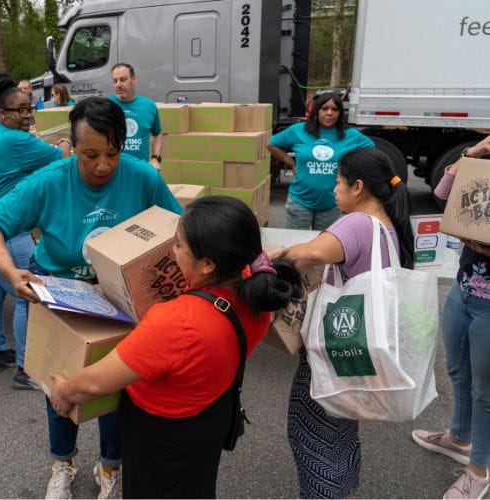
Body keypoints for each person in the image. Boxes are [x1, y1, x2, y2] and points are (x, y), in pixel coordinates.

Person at [0, 96, 183, 499]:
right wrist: (9, 270)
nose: (103, 166)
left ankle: (110, 466)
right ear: (71, 146)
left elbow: (179, 229)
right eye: (90, 155)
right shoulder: (49, 180)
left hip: (119, 299)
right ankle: (62, 464)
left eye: (112, 153)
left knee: (116, 389)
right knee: (61, 389)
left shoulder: (142, 177)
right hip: (62, 296)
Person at [49, 195, 302, 498]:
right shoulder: (258, 296)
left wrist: (63, 392)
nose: (173, 250)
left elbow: (95, 381)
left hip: (162, 431)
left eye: (179, 245)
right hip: (211, 412)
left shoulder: (177, 322)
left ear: (208, 264)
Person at [282, 147, 414, 498]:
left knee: (313, 432)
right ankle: (345, 491)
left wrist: (268, 261)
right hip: (361, 352)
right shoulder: (388, 223)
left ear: (358, 187)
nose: (334, 191)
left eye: (338, 183)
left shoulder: (358, 222)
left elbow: (311, 253)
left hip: (337, 351)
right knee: (340, 427)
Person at [0, 86, 72, 390]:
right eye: (19, 110)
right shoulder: (18, 140)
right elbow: (61, 159)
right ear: (1, 113)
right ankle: (26, 370)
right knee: (29, 299)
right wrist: (63, 140)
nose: (26, 115)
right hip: (3, 228)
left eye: (29, 109)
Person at [412, 135, 490, 500]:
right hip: (463, 291)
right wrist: (473, 153)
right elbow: (443, 194)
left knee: (485, 391)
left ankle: (479, 468)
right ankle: (459, 437)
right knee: (457, 372)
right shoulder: (482, 169)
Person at [268, 92, 375, 230]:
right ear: (317, 111)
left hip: (331, 205)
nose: (330, 113)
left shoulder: (350, 135)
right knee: (295, 246)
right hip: (300, 202)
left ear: (340, 113)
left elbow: (371, 150)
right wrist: (291, 163)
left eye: (335, 109)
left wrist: (351, 172)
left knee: (324, 248)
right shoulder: (299, 130)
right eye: (324, 108)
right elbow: (271, 144)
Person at [108, 63, 163, 170]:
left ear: (133, 79)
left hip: (141, 170)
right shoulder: (106, 106)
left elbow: (157, 134)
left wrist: (155, 158)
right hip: (113, 171)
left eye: (123, 80)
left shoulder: (149, 106)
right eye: (115, 81)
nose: (118, 84)